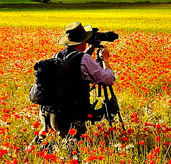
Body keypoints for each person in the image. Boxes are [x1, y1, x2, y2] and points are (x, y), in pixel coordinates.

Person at [32, 22, 116, 151]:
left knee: (49, 148)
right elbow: (108, 79)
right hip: (69, 116)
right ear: (83, 42)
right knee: (73, 151)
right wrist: (105, 59)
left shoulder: (56, 56)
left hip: (48, 114)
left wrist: (90, 50)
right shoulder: (84, 59)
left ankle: (33, 148)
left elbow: (73, 64)